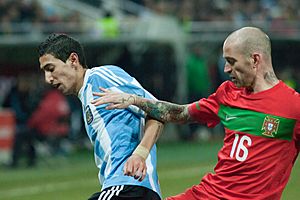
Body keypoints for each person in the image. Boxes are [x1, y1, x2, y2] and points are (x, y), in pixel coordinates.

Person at [92, 27, 300, 200]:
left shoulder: (293, 107)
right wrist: (136, 101)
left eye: (232, 61)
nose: (226, 69)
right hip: (206, 195)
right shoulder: (227, 94)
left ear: (255, 60)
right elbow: (181, 113)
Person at [38, 33, 163, 200]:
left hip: (130, 186)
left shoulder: (101, 77)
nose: (48, 79)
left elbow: (158, 111)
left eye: (50, 69)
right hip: (123, 187)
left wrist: (140, 154)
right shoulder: (86, 96)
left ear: (73, 60)